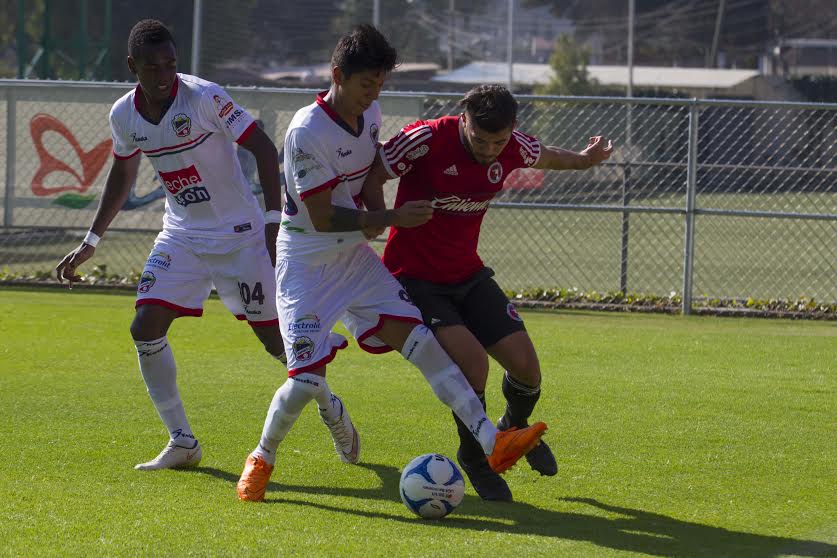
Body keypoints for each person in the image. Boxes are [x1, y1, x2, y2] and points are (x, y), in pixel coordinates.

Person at [236, 26, 547, 502]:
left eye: (380, 85)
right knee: (305, 383)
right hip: (306, 265)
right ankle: (262, 456)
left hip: (355, 262)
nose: (373, 95)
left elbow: (369, 178)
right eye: (366, 85)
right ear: (338, 75)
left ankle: (493, 441)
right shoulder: (305, 131)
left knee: (426, 347)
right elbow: (321, 218)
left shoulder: (372, 114)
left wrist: (378, 210)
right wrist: (390, 217)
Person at [55, 19, 302, 471]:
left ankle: (329, 405)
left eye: (171, 64)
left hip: (241, 236)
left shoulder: (205, 96)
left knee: (275, 343)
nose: (165, 74)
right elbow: (123, 173)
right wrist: (92, 240)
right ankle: (182, 441)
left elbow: (265, 150)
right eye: (153, 67)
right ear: (133, 66)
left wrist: (271, 224)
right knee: (144, 327)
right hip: (182, 236)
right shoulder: (123, 115)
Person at [361, 84, 613, 501]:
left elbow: (548, 155)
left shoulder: (513, 146)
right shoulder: (426, 138)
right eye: (480, 140)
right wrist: (381, 217)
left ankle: (511, 430)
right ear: (464, 121)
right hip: (415, 278)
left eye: (499, 141)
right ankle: (477, 457)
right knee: (474, 364)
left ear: (511, 130)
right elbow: (375, 171)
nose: (490, 150)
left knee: (528, 369)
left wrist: (586, 161)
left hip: (468, 275)